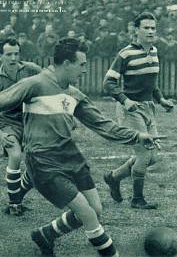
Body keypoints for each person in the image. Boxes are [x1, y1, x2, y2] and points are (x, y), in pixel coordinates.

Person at [0, 37, 157, 257]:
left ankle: (45, 235)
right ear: (66, 63)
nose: (85, 69)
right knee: (87, 213)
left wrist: (137, 135)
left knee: (96, 210)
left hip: (70, 156)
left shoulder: (74, 94)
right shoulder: (34, 84)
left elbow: (102, 124)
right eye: (82, 64)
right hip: (42, 161)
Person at [103, 12, 174, 209]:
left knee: (153, 157)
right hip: (130, 109)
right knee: (144, 154)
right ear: (136, 30)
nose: (151, 31)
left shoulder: (154, 51)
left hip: (148, 108)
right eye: (146, 28)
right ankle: (137, 199)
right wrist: (125, 101)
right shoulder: (125, 54)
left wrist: (162, 100)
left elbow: (151, 83)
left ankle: (114, 177)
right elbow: (108, 83)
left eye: (153, 28)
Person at [0, 38, 41, 215]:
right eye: (8, 54)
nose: (13, 58)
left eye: (16, 53)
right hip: (6, 123)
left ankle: (18, 195)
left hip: (31, 121)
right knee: (15, 155)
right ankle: (14, 203)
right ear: (1, 56)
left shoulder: (31, 70)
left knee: (41, 162)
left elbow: (50, 83)